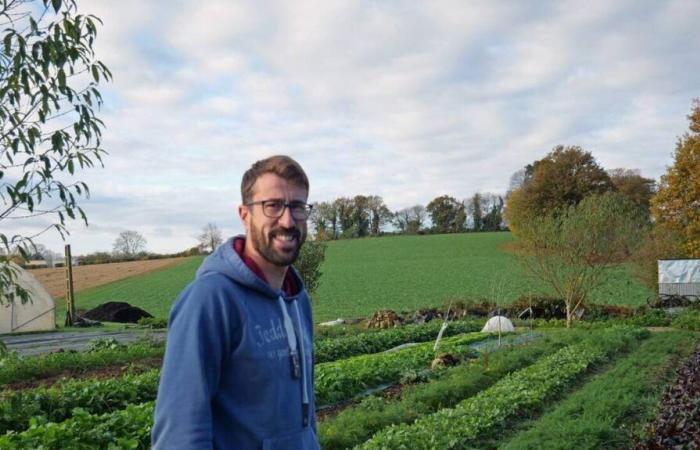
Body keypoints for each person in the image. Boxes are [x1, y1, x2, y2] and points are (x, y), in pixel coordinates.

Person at [152, 155, 320, 450]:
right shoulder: (210, 300)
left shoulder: (297, 299)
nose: (288, 220)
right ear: (245, 214)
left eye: (297, 206)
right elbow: (179, 434)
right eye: (273, 205)